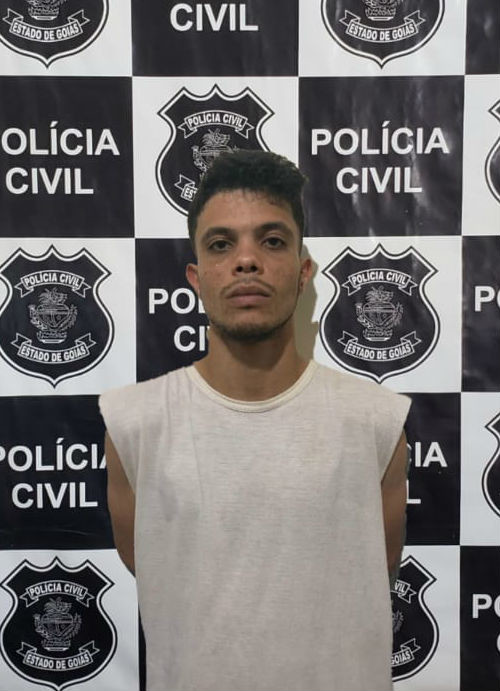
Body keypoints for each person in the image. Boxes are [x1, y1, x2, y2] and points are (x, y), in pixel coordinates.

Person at [99, 150, 410, 691]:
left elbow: (375, 565)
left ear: (303, 271)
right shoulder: (133, 425)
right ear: (196, 277)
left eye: (272, 241)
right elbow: (148, 565)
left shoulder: (377, 421)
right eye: (222, 244)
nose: (246, 260)